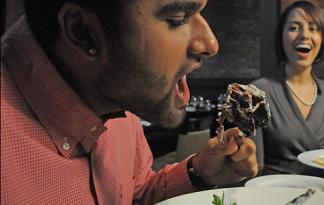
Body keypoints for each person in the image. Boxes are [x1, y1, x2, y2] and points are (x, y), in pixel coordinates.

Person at [1, 0, 258, 204]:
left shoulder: (119, 88)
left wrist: (199, 173)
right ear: (83, 33)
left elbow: (135, 192)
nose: (211, 44)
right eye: (177, 19)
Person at [251, 1, 324, 173]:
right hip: (276, 193)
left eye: (313, 28)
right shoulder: (257, 93)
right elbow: (253, 168)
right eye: (294, 28)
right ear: (281, 37)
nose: (304, 35)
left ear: (322, 39)